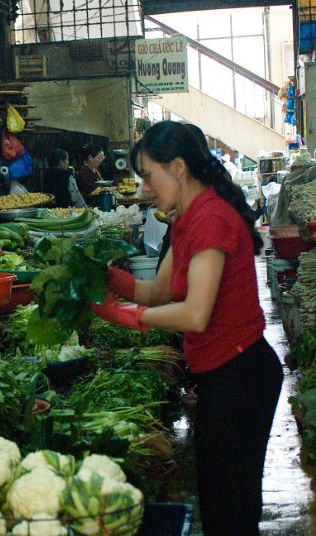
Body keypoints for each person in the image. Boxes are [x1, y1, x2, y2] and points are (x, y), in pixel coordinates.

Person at [91, 120, 283, 536]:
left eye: (147, 175)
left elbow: (195, 313)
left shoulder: (211, 219)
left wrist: (129, 317)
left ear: (177, 166)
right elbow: (159, 291)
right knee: (222, 505)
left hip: (241, 377)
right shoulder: (187, 218)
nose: (144, 189)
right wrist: (109, 280)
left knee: (229, 511)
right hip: (221, 377)